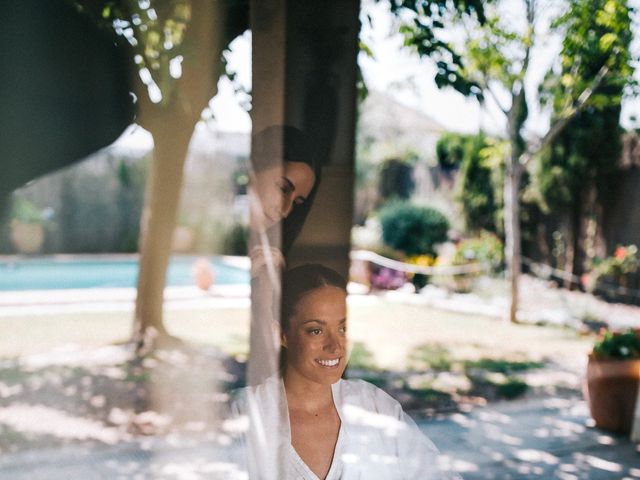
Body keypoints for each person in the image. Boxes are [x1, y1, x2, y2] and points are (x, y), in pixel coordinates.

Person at [232, 264, 456, 479]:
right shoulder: (242, 413)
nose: (335, 346)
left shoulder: (376, 407)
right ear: (281, 334)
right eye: (316, 330)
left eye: (343, 328)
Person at [247, 126, 322, 386]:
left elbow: (268, 346)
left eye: (298, 202)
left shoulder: (271, 259)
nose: (287, 209)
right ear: (255, 168)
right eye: (283, 187)